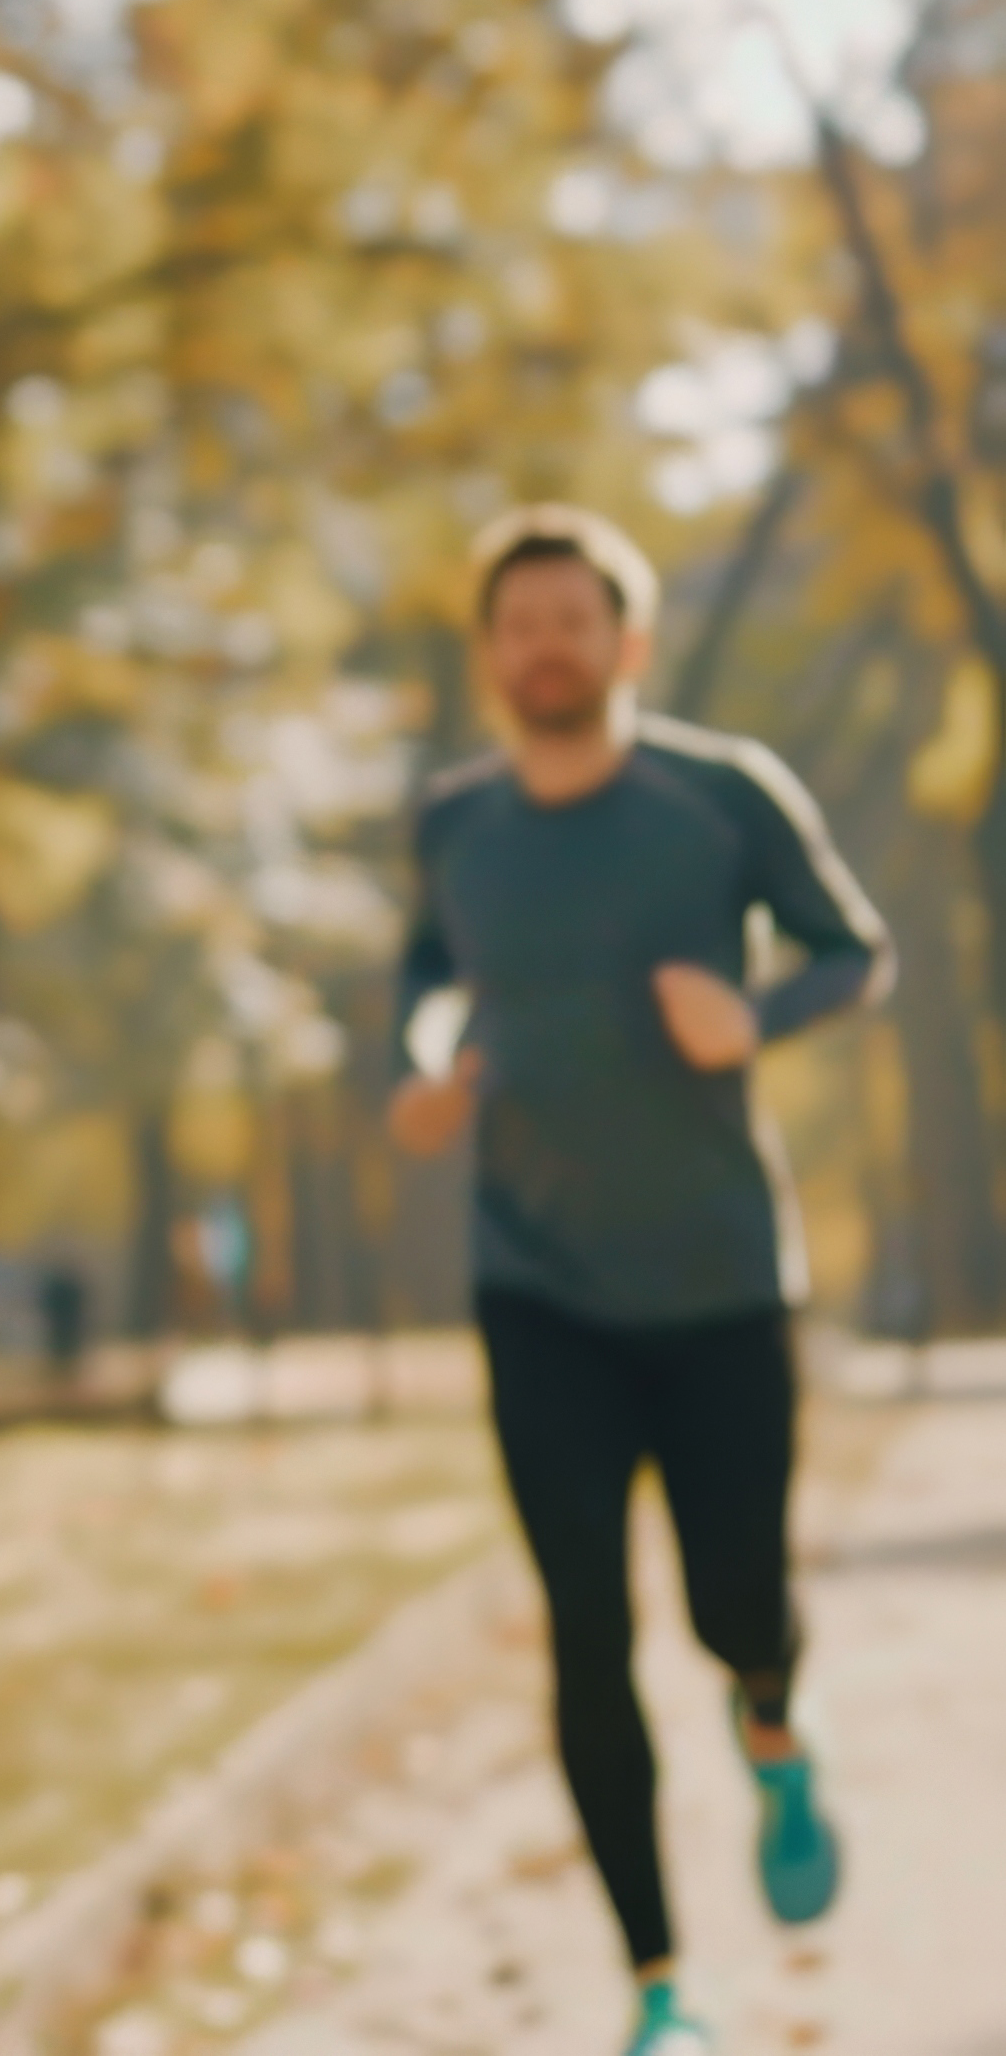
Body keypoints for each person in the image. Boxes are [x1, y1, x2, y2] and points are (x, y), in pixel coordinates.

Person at [386, 504, 888, 2056]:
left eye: (573, 619)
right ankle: (662, 1989)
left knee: (740, 1601)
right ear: (491, 657)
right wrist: (423, 1061)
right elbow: (424, 977)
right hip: (537, 1289)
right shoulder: (453, 822)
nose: (547, 645)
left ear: (626, 641)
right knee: (585, 1631)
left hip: (723, 1279)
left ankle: (774, 1727)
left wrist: (759, 1018)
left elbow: (854, 950)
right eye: (520, 623)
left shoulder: (720, 796)